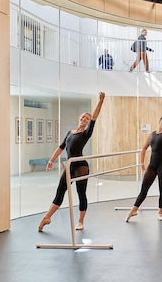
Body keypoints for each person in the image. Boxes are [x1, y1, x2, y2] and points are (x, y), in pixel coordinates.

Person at [38, 92, 106, 232]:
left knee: (81, 193)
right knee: (60, 191)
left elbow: (95, 117)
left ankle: (80, 221)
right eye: (83, 117)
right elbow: (61, 148)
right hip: (69, 166)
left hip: (81, 166)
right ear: (79, 118)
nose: (85, 119)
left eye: (87, 118)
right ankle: (47, 217)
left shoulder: (85, 133)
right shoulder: (70, 133)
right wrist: (51, 160)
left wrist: (100, 101)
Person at [125, 95, 162, 222]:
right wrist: (141, 163)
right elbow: (144, 148)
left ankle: (160, 212)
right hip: (152, 165)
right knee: (144, 188)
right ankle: (134, 210)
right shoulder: (152, 134)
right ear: (160, 121)